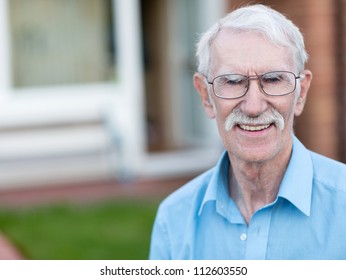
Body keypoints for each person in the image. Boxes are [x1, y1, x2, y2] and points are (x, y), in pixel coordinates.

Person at [149, 4, 346, 260]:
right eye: (232, 81)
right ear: (206, 96)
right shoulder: (173, 220)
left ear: (301, 93)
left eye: (273, 79)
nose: (253, 106)